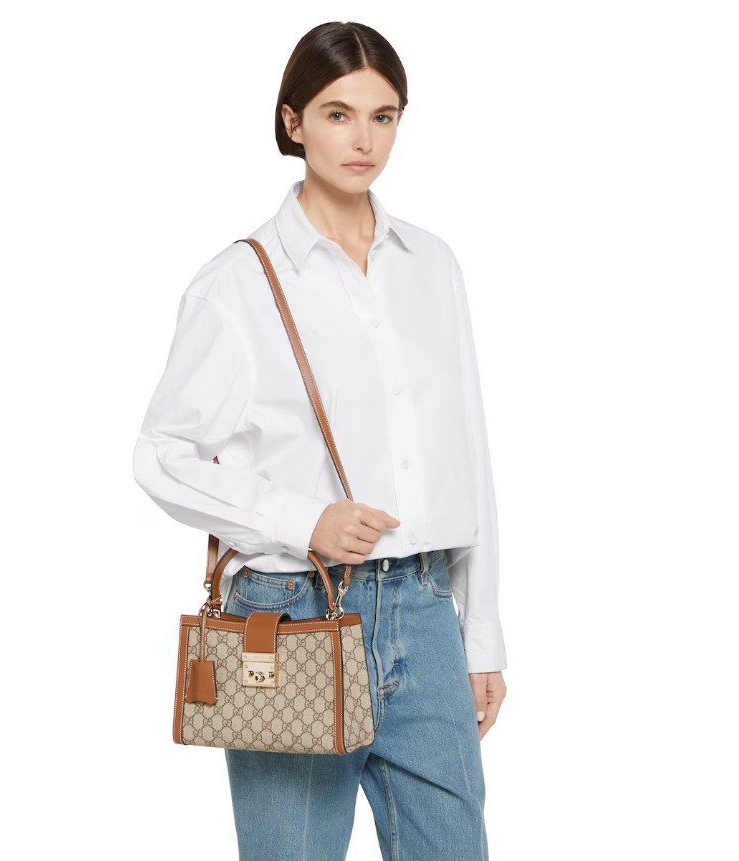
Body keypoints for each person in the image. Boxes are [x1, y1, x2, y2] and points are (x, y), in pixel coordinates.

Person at [133, 21, 508, 861]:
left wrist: (481, 634)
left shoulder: (432, 266)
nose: (363, 139)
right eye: (339, 114)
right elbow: (161, 452)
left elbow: (468, 453)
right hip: (292, 617)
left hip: (424, 608)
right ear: (293, 121)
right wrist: (305, 519)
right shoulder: (238, 284)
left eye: (383, 116)